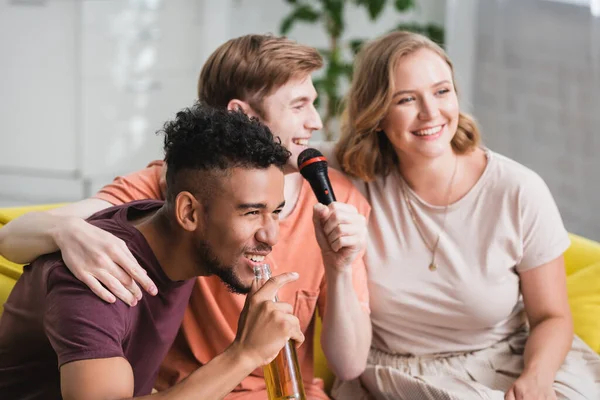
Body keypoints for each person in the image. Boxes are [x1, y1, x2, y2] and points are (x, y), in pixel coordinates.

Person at [0, 35, 371, 399]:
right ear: (187, 210)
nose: (317, 122)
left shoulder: (329, 202)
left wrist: (338, 265)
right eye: (298, 105)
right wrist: (69, 230)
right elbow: (14, 237)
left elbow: (350, 365)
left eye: (276, 212)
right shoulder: (109, 262)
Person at [324, 31, 600, 399]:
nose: (431, 113)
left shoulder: (518, 190)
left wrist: (538, 376)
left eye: (442, 91)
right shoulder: (348, 176)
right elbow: (272, 150)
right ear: (376, 115)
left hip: (509, 363)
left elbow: (552, 316)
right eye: (406, 99)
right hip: (396, 375)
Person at [0, 104, 307, 399]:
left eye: (275, 211)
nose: (272, 235)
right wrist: (245, 354)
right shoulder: (97, 279)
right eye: (252, 213)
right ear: (189, 213)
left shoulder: (166, 221)